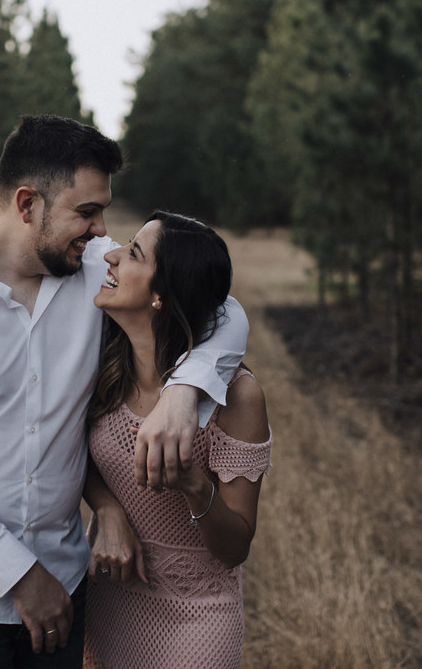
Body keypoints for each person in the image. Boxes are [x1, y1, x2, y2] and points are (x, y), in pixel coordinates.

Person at [0, 115, 249, 669]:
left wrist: (183, 392)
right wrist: (22, 577)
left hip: (66, 582)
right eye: (87, 212)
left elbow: (217, 305)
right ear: (28, 205)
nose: (101, 231)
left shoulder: (96, 271)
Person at [82, 211, 272, 669]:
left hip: (197, 620)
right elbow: (70, 453)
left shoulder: (237, 397)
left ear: (161, 296)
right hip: (106, 601)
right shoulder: (104, 364)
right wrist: (106, 507)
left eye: (132, 254)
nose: (110, 256)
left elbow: (235, 548)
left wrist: (193, 484)